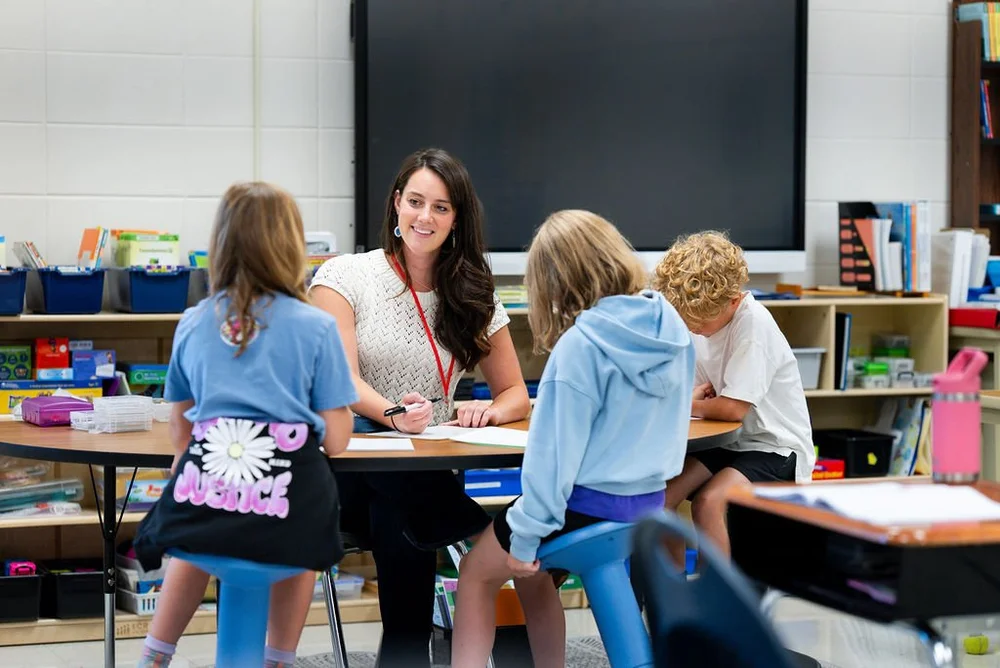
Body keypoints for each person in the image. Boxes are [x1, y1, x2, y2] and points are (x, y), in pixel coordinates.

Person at [292, 148, 531, 666]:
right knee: (397, 488)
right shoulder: (343, 276)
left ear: (457, 218)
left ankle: (404, 657)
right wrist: (394, 416)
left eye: (441, 207)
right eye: (416, 202)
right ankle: (478, 534)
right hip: (347, 467)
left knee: (399, 509)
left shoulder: (472, 292)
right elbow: (341, 381)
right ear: (397, 205)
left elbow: (515, 394)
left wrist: (486, 412)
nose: (425, 217)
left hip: (426, 472)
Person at [450, 210, 695, 668]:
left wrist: (523, 544)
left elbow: (549, 470)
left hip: (585, 510)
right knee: (533, 575)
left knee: (477, 573)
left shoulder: (579, 348)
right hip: (646, 505)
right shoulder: (671, 327)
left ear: (551, 281)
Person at [132, 182, 358, 668]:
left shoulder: (193, 321)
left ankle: (155, 653)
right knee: (305, 538)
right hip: (286, 519)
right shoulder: (316, 325)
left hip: (207, 511)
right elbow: (337, 441)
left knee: (200, 520)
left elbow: (180, 426)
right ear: (291, 246)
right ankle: (278, 658)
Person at [652, 230, 814, 559]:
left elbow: (731, 409)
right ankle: (670, 598)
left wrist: (688, 402)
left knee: (708, 502)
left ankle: (719, 602)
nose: (692, 326)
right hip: (729, 443)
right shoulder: (698, 322)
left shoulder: (752, 325)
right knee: (659, 501)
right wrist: (697, 399)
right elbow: (703, 396)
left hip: (775, 448)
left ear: (734, 300)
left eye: (700, 320)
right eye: (686, 318)